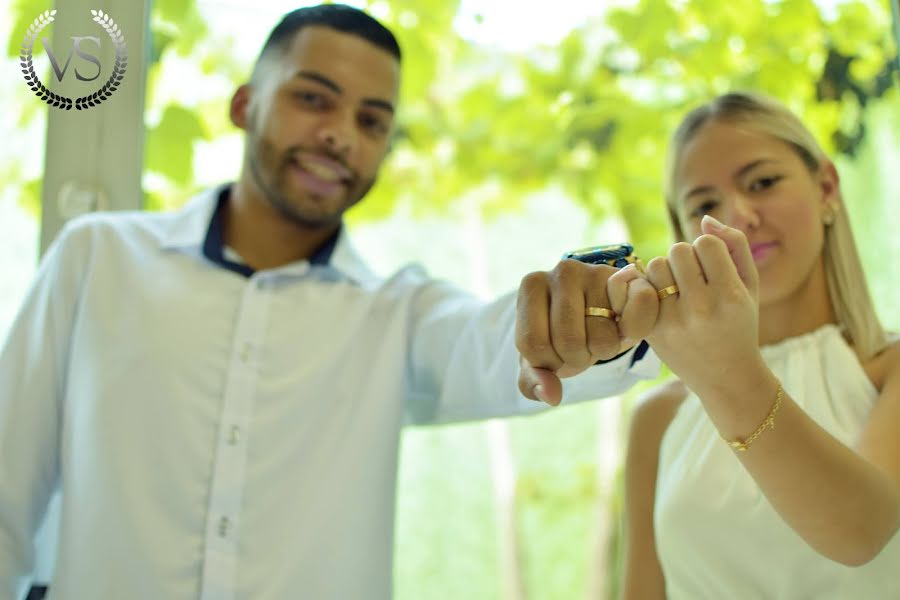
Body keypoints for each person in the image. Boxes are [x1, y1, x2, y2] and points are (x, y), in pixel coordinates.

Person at [0, 5, 661, 599]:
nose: (341, 134)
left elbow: (490, 343)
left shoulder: (396, 312)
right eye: (314, 99)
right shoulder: (96, 261)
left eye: (372, 121)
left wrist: (583, 316)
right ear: (244, 104)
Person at [613, 91, 900, 599]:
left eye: (762, 182)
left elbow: (858, 533)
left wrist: (726, 371)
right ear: (683, 232)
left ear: (826, 188)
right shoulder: (656, 418)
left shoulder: (890, 369)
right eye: (704, 205)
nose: (737, 217)